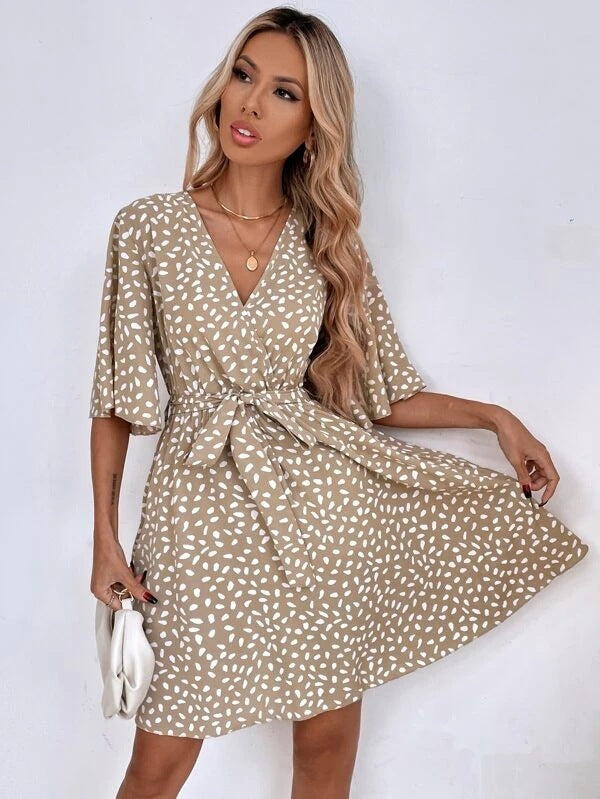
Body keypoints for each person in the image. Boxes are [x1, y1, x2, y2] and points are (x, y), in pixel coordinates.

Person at [88, 7, 589, 798]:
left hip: (322, 517)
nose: (251, 103)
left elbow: (378, 392)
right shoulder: (148, 228)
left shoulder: (328, 242)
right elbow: (117, 399)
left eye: (284, 92)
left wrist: (497, 418)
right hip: (194, 508)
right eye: (244, 75)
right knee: (160, 761)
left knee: (325, 748)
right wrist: (105, 539)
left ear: (313, 125)